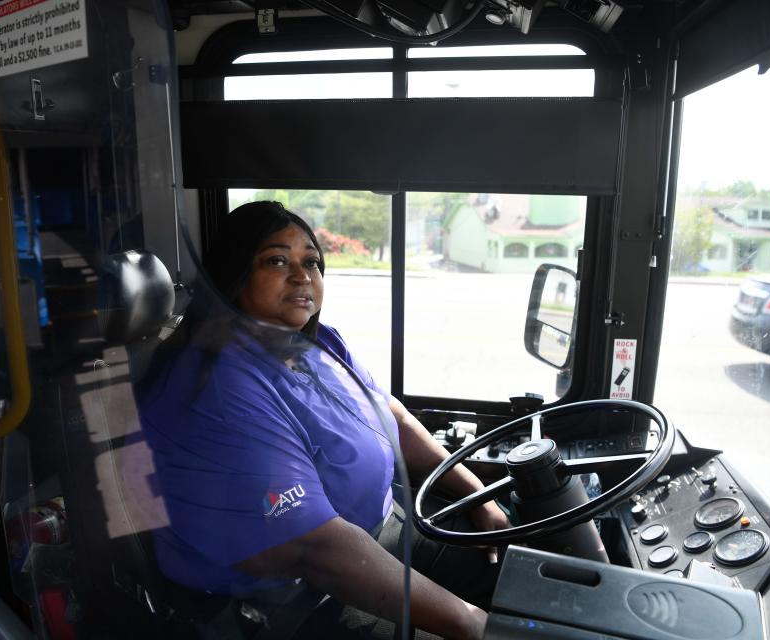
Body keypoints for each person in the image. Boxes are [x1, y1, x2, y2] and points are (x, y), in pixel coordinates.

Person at [136, 201, 508, 639]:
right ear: (233, 275)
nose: (302, 275)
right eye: (276, 260)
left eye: (311, 261)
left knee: (526, 582)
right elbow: (314, 548)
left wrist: (478, 495)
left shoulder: (317, 343)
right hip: (299, 599)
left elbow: (394, 418)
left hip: (385, 533)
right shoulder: (218, 387)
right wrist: (468, 621)